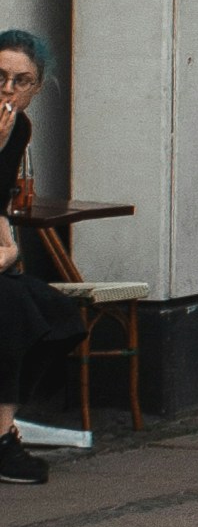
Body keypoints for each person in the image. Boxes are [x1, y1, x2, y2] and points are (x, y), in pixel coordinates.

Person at [0, 29, 87, 488]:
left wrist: (9, 249)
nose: (9, 91)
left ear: (36, 88)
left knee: (55, 313)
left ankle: (1, 428)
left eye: (21, 81)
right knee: (12, 309)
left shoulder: (20, 128)